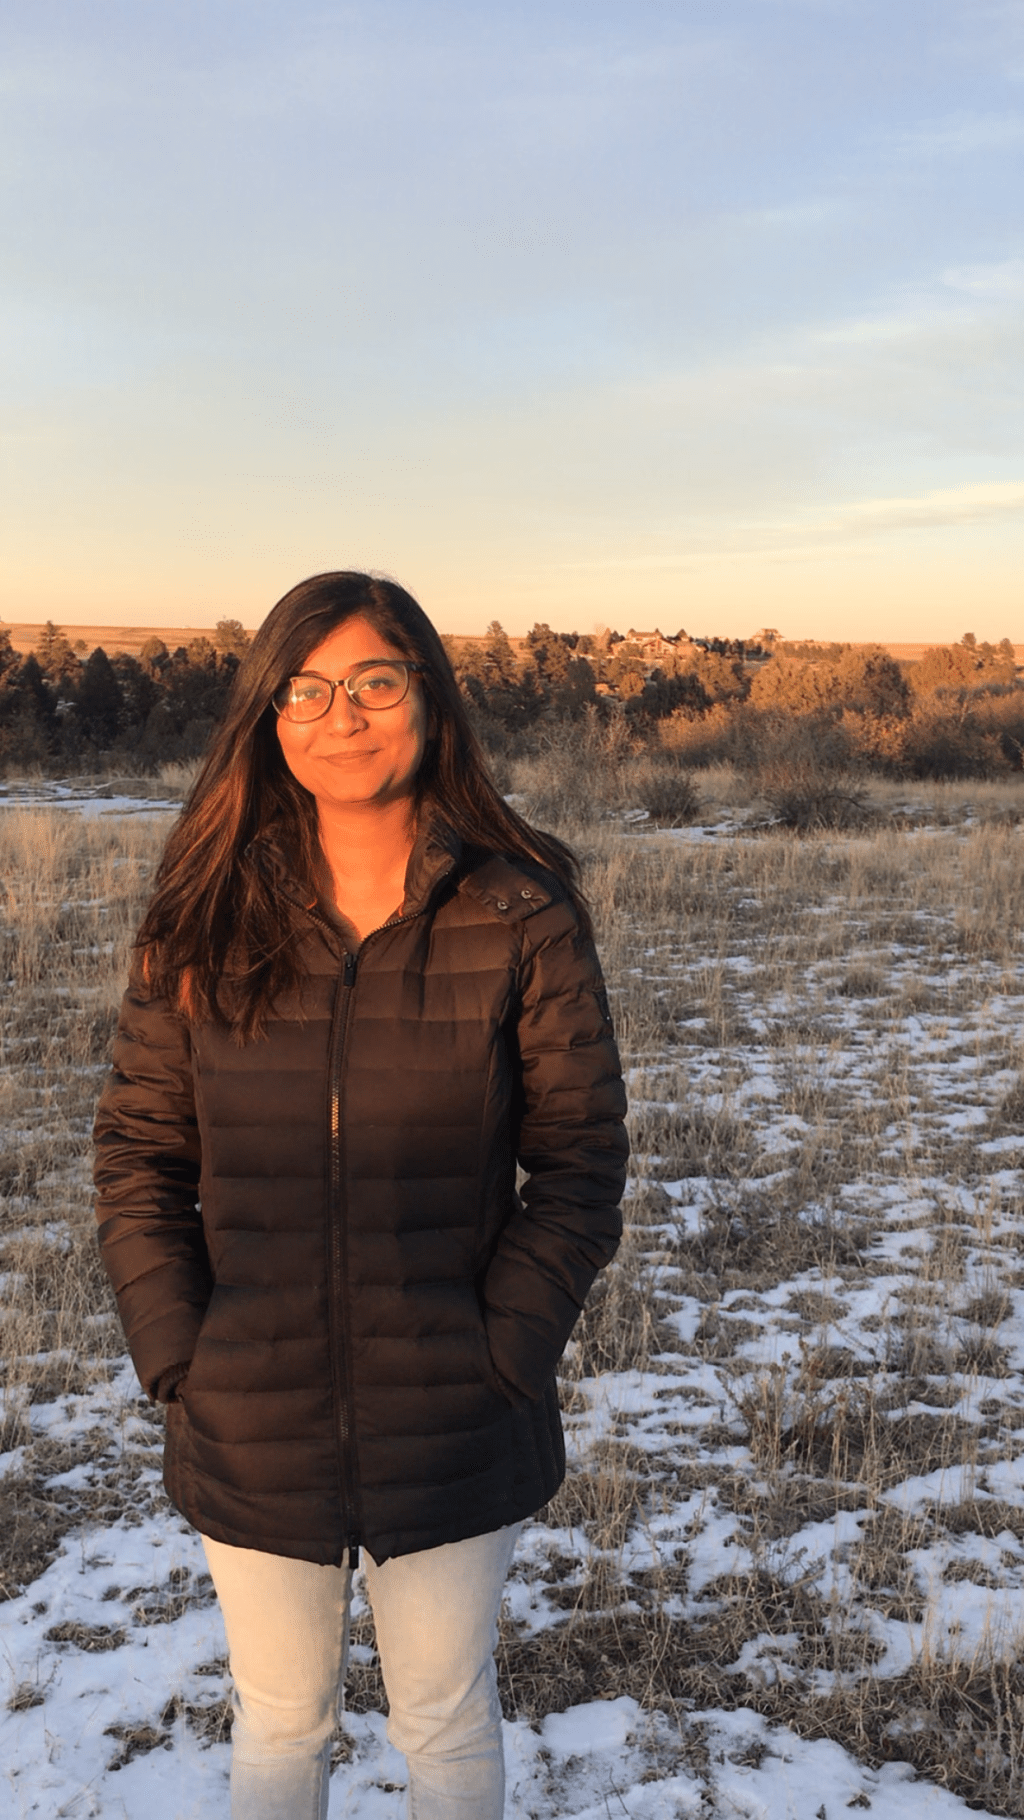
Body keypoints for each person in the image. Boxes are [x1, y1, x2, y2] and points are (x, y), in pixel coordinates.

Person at [93, 571, 629, 1820]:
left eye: (375, 681)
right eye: (308, 687)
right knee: (282, 1722)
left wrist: (504, 1349)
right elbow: (138, 1154)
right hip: (250, 1408)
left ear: (429, 698)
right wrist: (183, 1355)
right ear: (268, 714)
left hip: (454, 1409)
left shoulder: (520, 912)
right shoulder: (200, 915)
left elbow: (578, 1158)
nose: (343, 714)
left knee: (443, 1716)